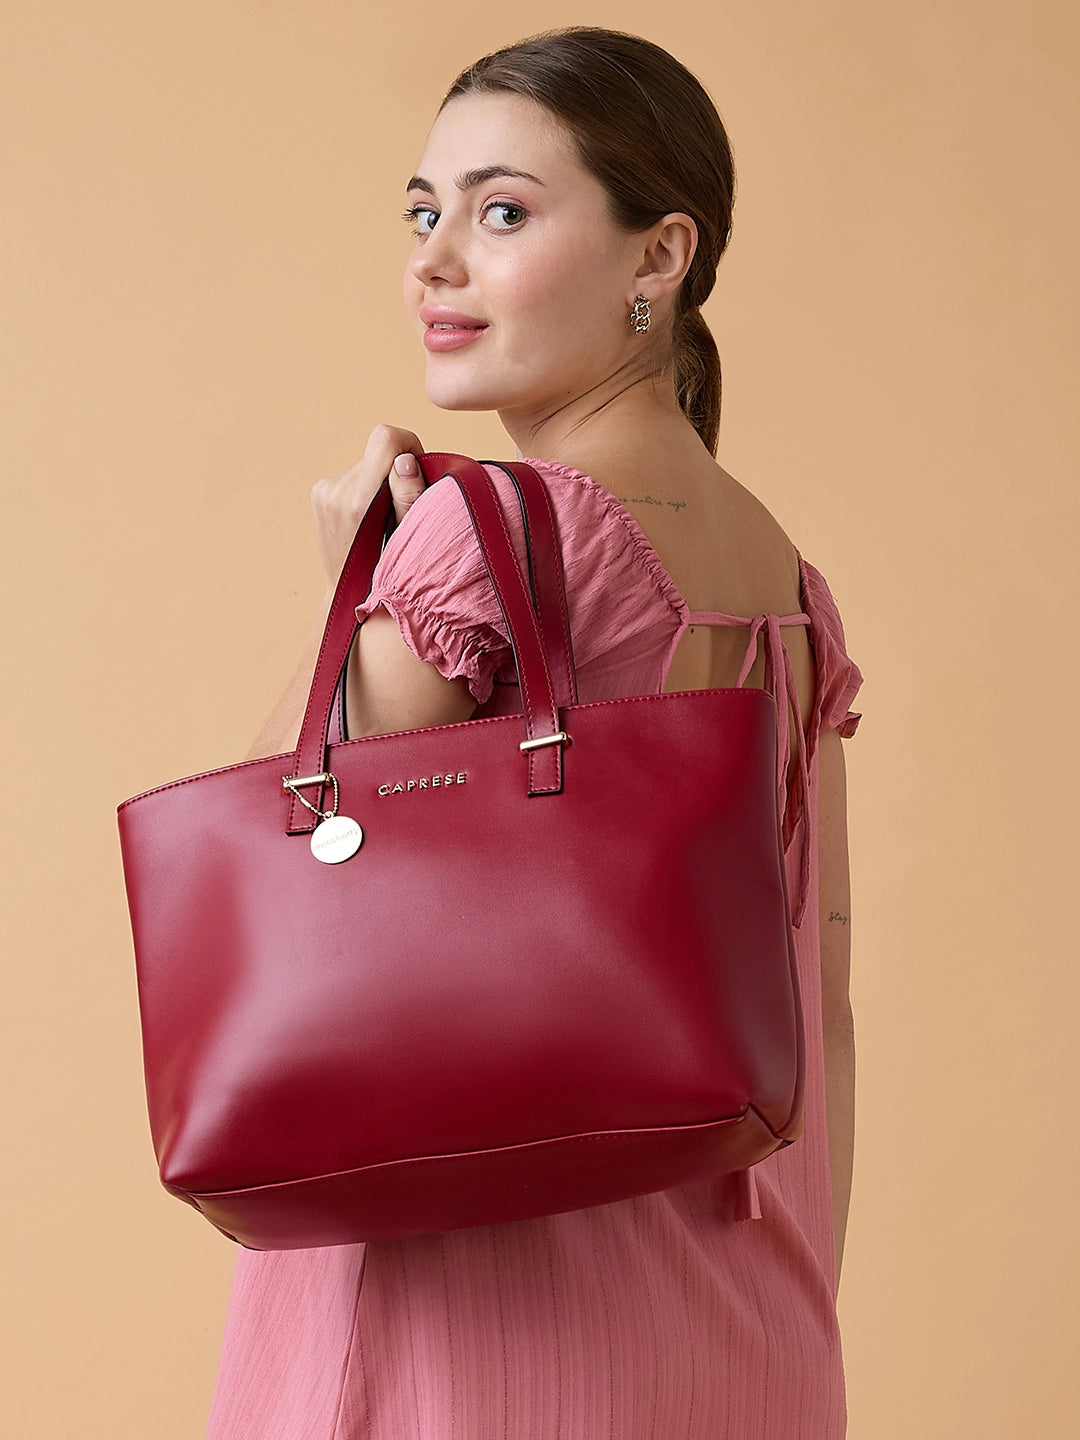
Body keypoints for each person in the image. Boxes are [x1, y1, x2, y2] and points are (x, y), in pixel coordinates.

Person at [204, 25, 863, 1439]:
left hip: (477, 1336)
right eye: (423, 214)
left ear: (658, 257)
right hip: (743, 1323)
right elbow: (827, 998)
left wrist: (353, 591)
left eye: (502, 212)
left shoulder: (495, 533)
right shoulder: (785, 577)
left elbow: (274, 883)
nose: (435, 263)